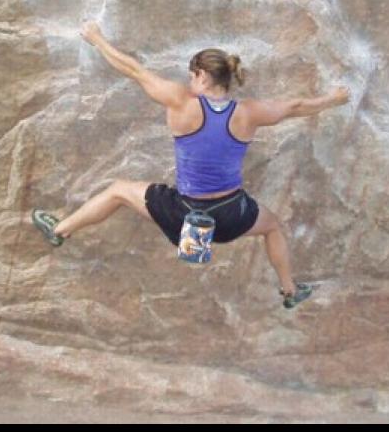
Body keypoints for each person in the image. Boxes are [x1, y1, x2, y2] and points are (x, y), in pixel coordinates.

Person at [33, 21, 350, 309]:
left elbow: (134, 70)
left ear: (202, 76)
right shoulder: (249, 113)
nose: (189, 80)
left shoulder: (180, 101)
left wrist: (97, 40)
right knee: (272, 226)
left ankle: (59, 230)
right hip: (231, 215)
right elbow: (294, 107)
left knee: (118, 191)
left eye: (191, 75)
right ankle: (290, 290)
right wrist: (333, 99)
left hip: (182, 213)